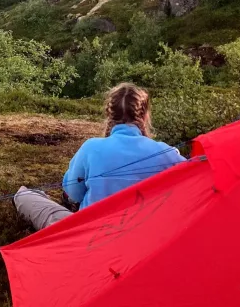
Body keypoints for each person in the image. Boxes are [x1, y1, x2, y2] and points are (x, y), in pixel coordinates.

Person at [14, 83, 185, 230]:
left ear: (109, 115)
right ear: (145, 116)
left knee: (25, 196)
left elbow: (73, 193)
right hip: (149, 239)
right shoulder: (166, 153)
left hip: (90, 238)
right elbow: (193, 183)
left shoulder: (91, 147)